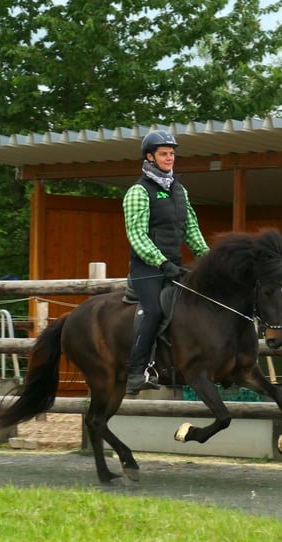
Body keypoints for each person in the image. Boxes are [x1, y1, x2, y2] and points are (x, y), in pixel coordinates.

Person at [123, 129, 209, 394]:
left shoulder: (179, 191)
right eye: (164, 154)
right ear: (150, 156)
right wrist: (161, 262)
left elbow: (191, 230)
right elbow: (136, 235)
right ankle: (136, 372)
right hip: (147, 269)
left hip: (173, 266)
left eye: (172, 153)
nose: (170, 158)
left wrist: (209, 259)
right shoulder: (138, 192)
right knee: (154, 312)